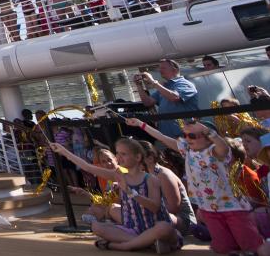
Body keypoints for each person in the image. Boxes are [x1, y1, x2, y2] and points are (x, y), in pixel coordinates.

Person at [128, 118, 264, 254]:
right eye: (185, 135)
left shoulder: (215, 152)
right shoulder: (187, 150)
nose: (187, 138)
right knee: (223, 247)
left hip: (232, 208)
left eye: (192, 135)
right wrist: (141, 124)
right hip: (209, 210)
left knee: (250, 244)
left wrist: (208, 131)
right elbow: (162, 137)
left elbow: (223, 147)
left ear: (208, 137)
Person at [50, 137, 178, 252]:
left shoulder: (150, 179)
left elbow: (155, 207)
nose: (118, 157)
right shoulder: (118, 175)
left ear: (138, 157)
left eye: (123, 154)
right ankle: (146, 243)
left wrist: (131, 193)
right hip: (132, 229)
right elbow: (87, 167)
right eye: (117, 153)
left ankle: (123, 246)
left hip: (154, 227)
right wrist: (64, 151)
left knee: (164, 228)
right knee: (97, 227)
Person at [133, 59, 199, 138]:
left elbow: (175, 97)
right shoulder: (165, 87)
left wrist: (153, 82)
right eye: (160, 68)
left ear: (175, 70)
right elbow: (148, 102)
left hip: (184, 133)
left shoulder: (185, 84)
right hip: (167, 134)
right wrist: (139, 85)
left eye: (163, 68)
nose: (160, 71)